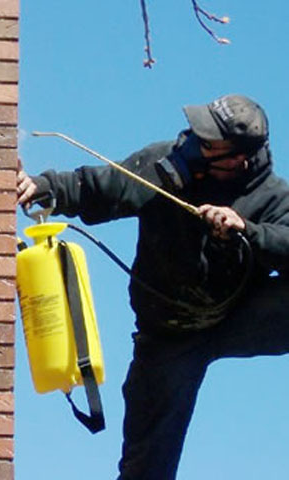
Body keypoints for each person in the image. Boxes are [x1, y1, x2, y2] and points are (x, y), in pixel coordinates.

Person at [16, 94, 289, 479]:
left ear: (237, 159)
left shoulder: (273, 198)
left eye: (209, 142)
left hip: (236, 318)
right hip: (168, 338)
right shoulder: (166, 163)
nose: (195, 143)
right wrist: (43, 188)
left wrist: (248, 232)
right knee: (147, 469)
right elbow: (102, 186)